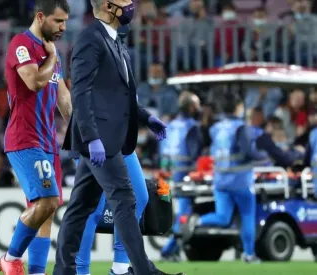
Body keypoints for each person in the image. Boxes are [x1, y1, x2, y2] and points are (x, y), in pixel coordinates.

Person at [55, 0, 184, 274]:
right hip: (99, 139)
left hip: (112, 136)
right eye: (124, 0)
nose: (130, 5)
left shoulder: (115, 42)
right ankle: (140, 270)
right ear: (106, 6)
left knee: (80, 208)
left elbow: (121, 97)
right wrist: (91, 137)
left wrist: (147, 117)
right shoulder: (91, 40)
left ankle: (65, 271)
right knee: (125, 201)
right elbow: (80, 92)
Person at [0, 1, 73, 274]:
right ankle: (10, 258)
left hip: (48, 142)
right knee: (48, 200)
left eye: (65, 22)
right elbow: (33, 81)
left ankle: (37, 271)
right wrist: (51, 58)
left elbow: (63, 98)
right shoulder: (22, 44)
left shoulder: (54, 54)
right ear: (40, 17)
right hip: (24, 138)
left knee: (47, 210)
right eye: (58, 21)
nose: (63, 27)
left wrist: (80, 133)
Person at [183, 92, 264, 263]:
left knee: (223, 217)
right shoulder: (241, 128)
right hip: (241, 181)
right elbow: (247, 151)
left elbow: (203, 143)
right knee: (247, 216)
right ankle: (249, 255)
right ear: (238, 108)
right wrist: (263, 156)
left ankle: (198, 220)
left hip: (220, 182)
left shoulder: (216, 128)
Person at [160, 92, 203, 261]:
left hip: (166, 176)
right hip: (184, 177)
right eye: (197, 105)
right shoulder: (192, 127)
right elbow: (194, 154)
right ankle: (168, 249)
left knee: (177, 213)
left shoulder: (169, 125)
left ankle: (174, 249)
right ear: (192, 107)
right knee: (185, 213)